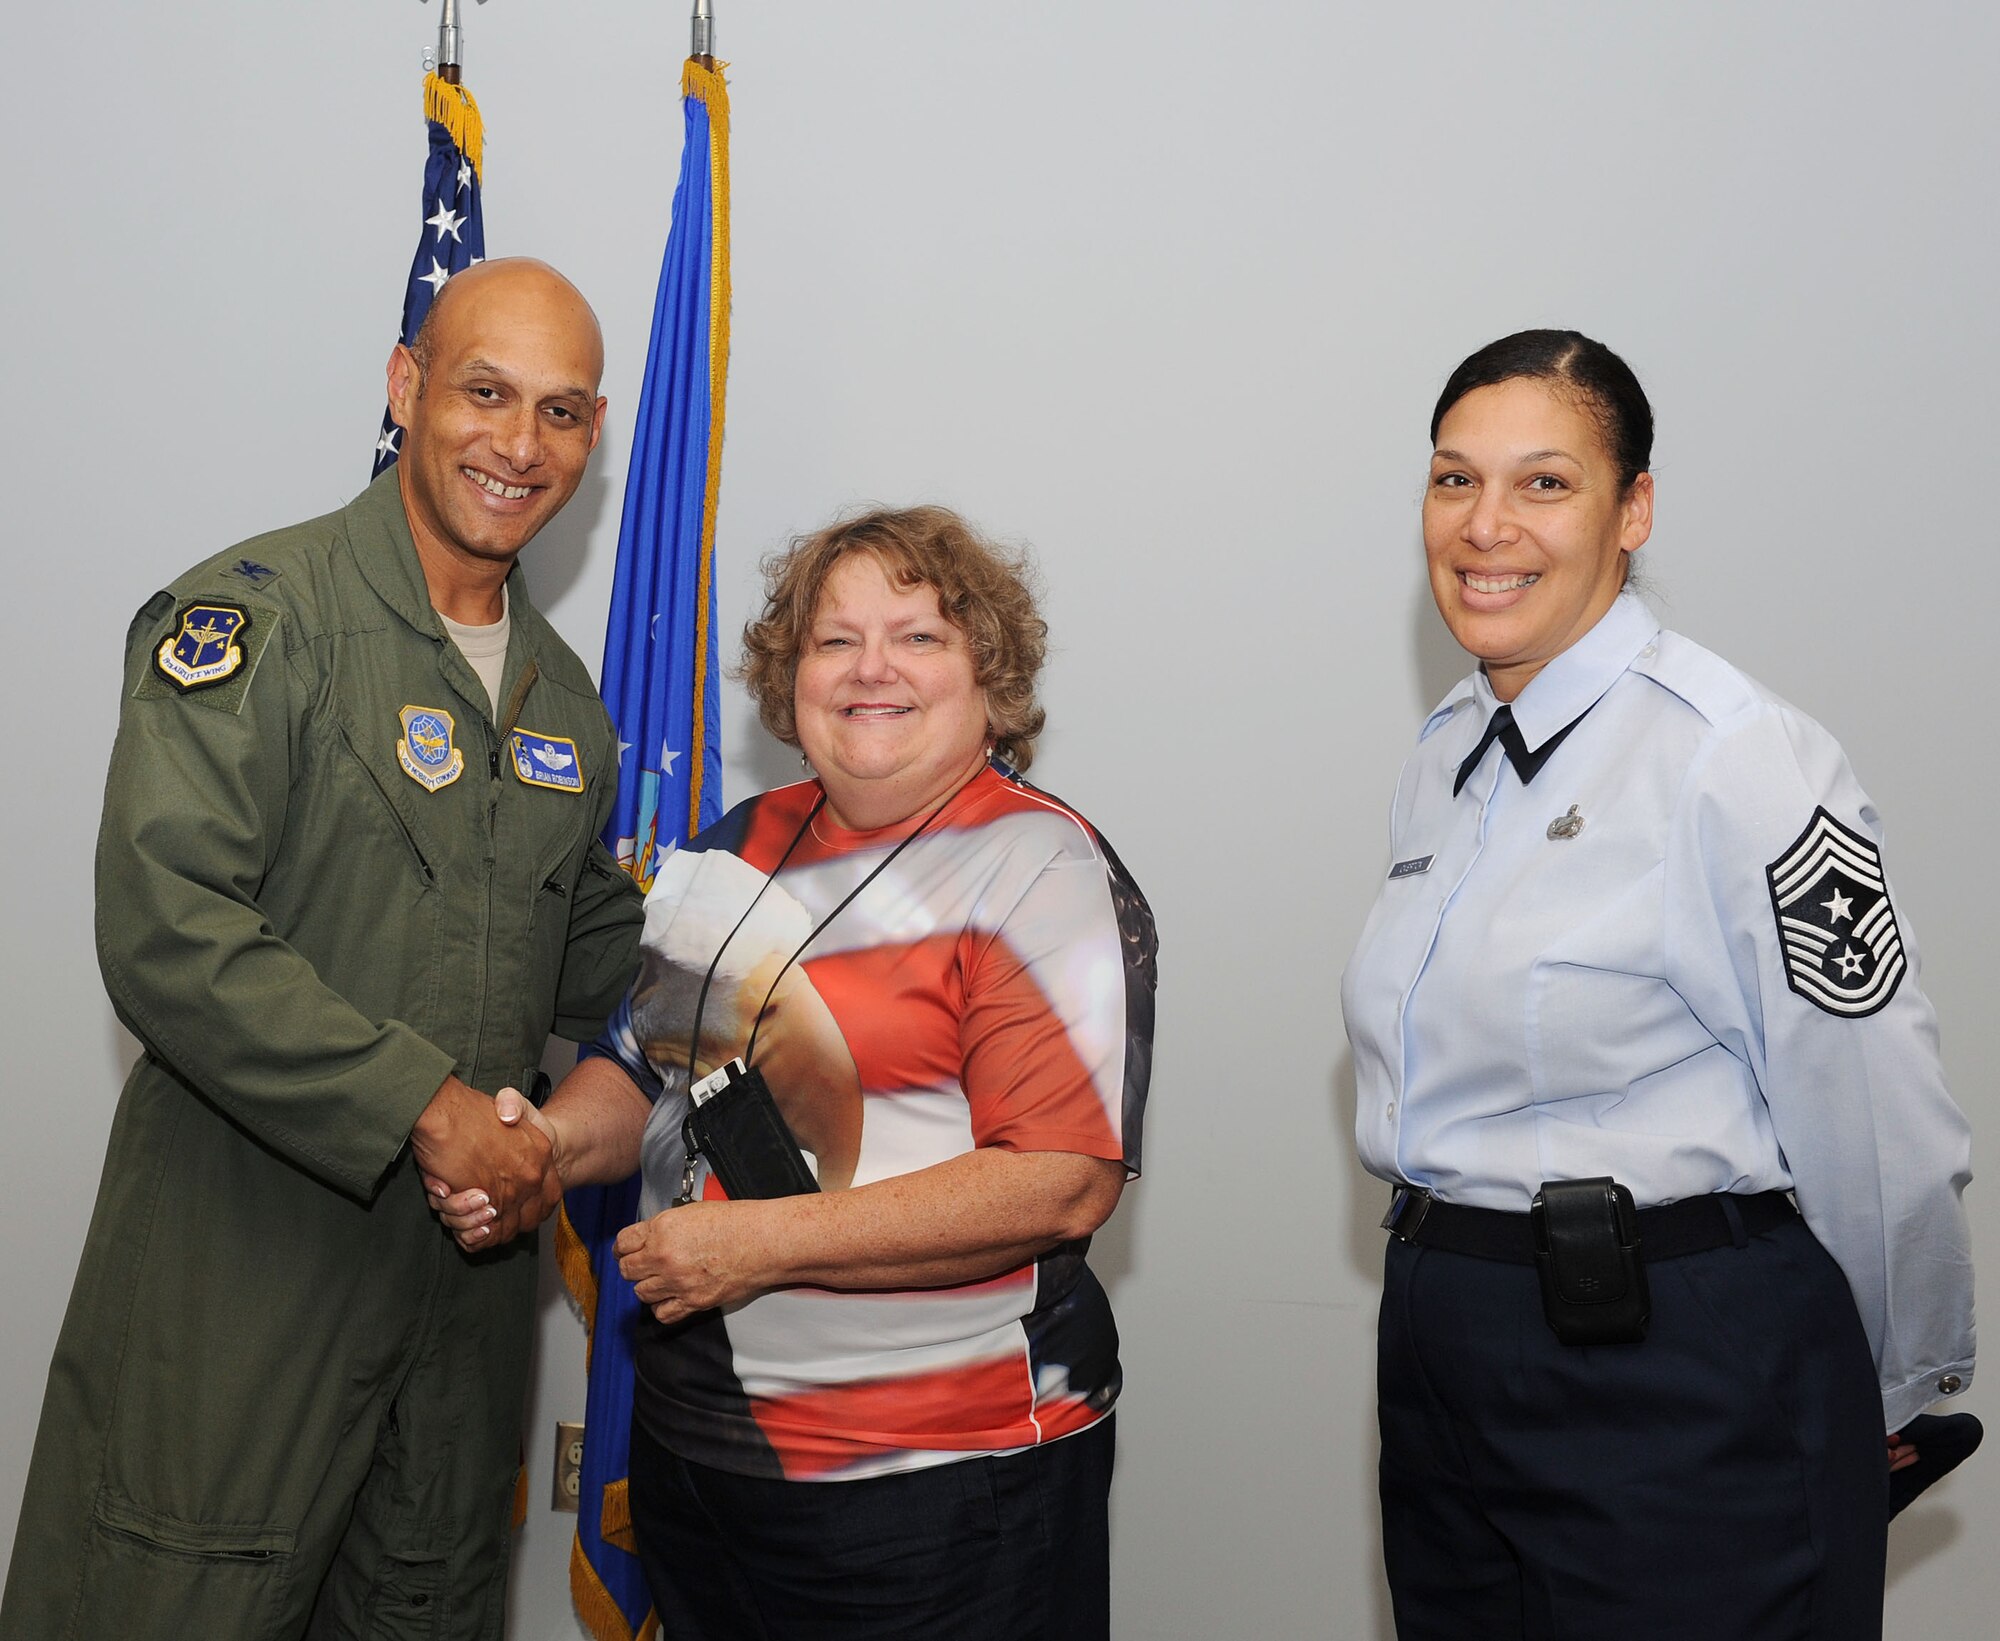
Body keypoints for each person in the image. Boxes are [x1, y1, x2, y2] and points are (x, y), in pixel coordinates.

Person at [1, 259, 644, 1641]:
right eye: (485, 392)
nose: (520, 445)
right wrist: (424, 1104)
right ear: (406, 387)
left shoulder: (566, 704)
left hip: (460, 1317)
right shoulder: (257, 622)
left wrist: (816, 885)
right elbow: (170, 928)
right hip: (244, 1285)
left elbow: (613, 974)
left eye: (564, 411)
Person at [1341, 330, 1974, 1640]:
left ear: (1634, 509)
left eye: (1545, 483)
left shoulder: (1738, 759)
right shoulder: (1447, 754)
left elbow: (1873, 1110)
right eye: (1454, 480)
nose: (1486, 525)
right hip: (1450, 1358)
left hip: (1677, 1373)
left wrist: (1890, 1388)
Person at [433, 505, 1157, 1640]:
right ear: (789, 673)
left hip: (938, 1490)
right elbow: (642, 1069)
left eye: (918, 637)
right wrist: (545, 1148)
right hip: (704, 1466)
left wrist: (756, 1246)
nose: (872, 669)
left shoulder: (1038, 866)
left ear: (988, 673)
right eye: (833, 640)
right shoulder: (732, 844)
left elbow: (1059, 1179)